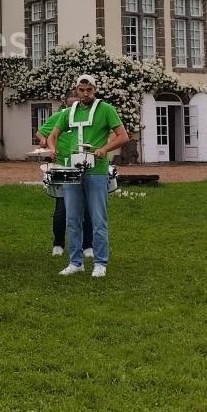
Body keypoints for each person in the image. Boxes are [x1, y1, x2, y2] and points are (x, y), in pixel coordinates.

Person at [46, 74, 129, 278]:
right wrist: (52, 148)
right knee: (72, 218)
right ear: (76, 91)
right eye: (81, 90)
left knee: (98, 219)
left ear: (95, 89)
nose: (85, 94)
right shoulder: (69, 112)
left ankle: (100, 263)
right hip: (72, 170)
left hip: (97, 172)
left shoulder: (106, 109)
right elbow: (52, 135)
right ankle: (76, 262)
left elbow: (123, 136)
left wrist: (104, 149)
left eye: (89, 90)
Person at [38, 91, 93, 258]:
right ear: (66, 105)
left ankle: (87, 246)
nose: (74, 107)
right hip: (63, 167)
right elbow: (43, 133)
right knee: (61, 209)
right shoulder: (59, 117)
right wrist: (48, 145)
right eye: (71, 105)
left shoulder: (87, 117)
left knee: (87, 210)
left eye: (77, 104)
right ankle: (58, 243)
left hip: (83, 166)